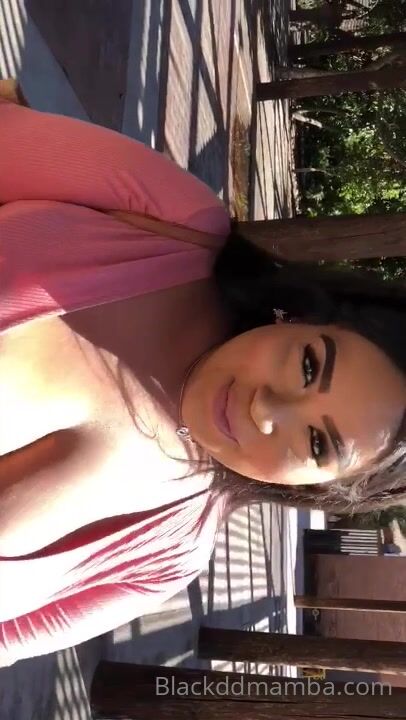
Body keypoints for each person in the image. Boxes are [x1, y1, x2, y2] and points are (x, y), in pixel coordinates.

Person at [0, 84, 405, 666]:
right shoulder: (169, 223)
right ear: (302, 316)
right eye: (308, 365)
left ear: (313, 488)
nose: (267, 409)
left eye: (318, 443)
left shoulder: (165, 558)